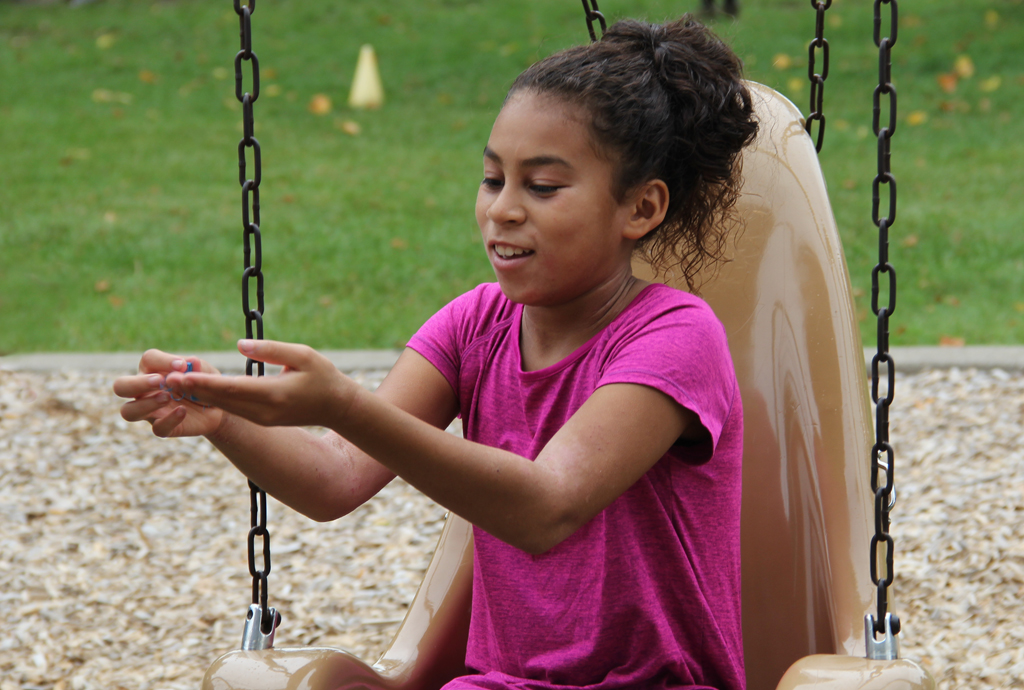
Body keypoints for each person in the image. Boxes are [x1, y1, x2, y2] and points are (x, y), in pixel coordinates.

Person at [114, 15, 757, 690]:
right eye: (492, 179)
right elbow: (336, 479)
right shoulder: (474, 325)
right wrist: (226, 420)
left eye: (542, 187)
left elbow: (548, 508)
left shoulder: (675, 336)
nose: (502, 210)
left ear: (641, 209)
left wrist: (343, 404)